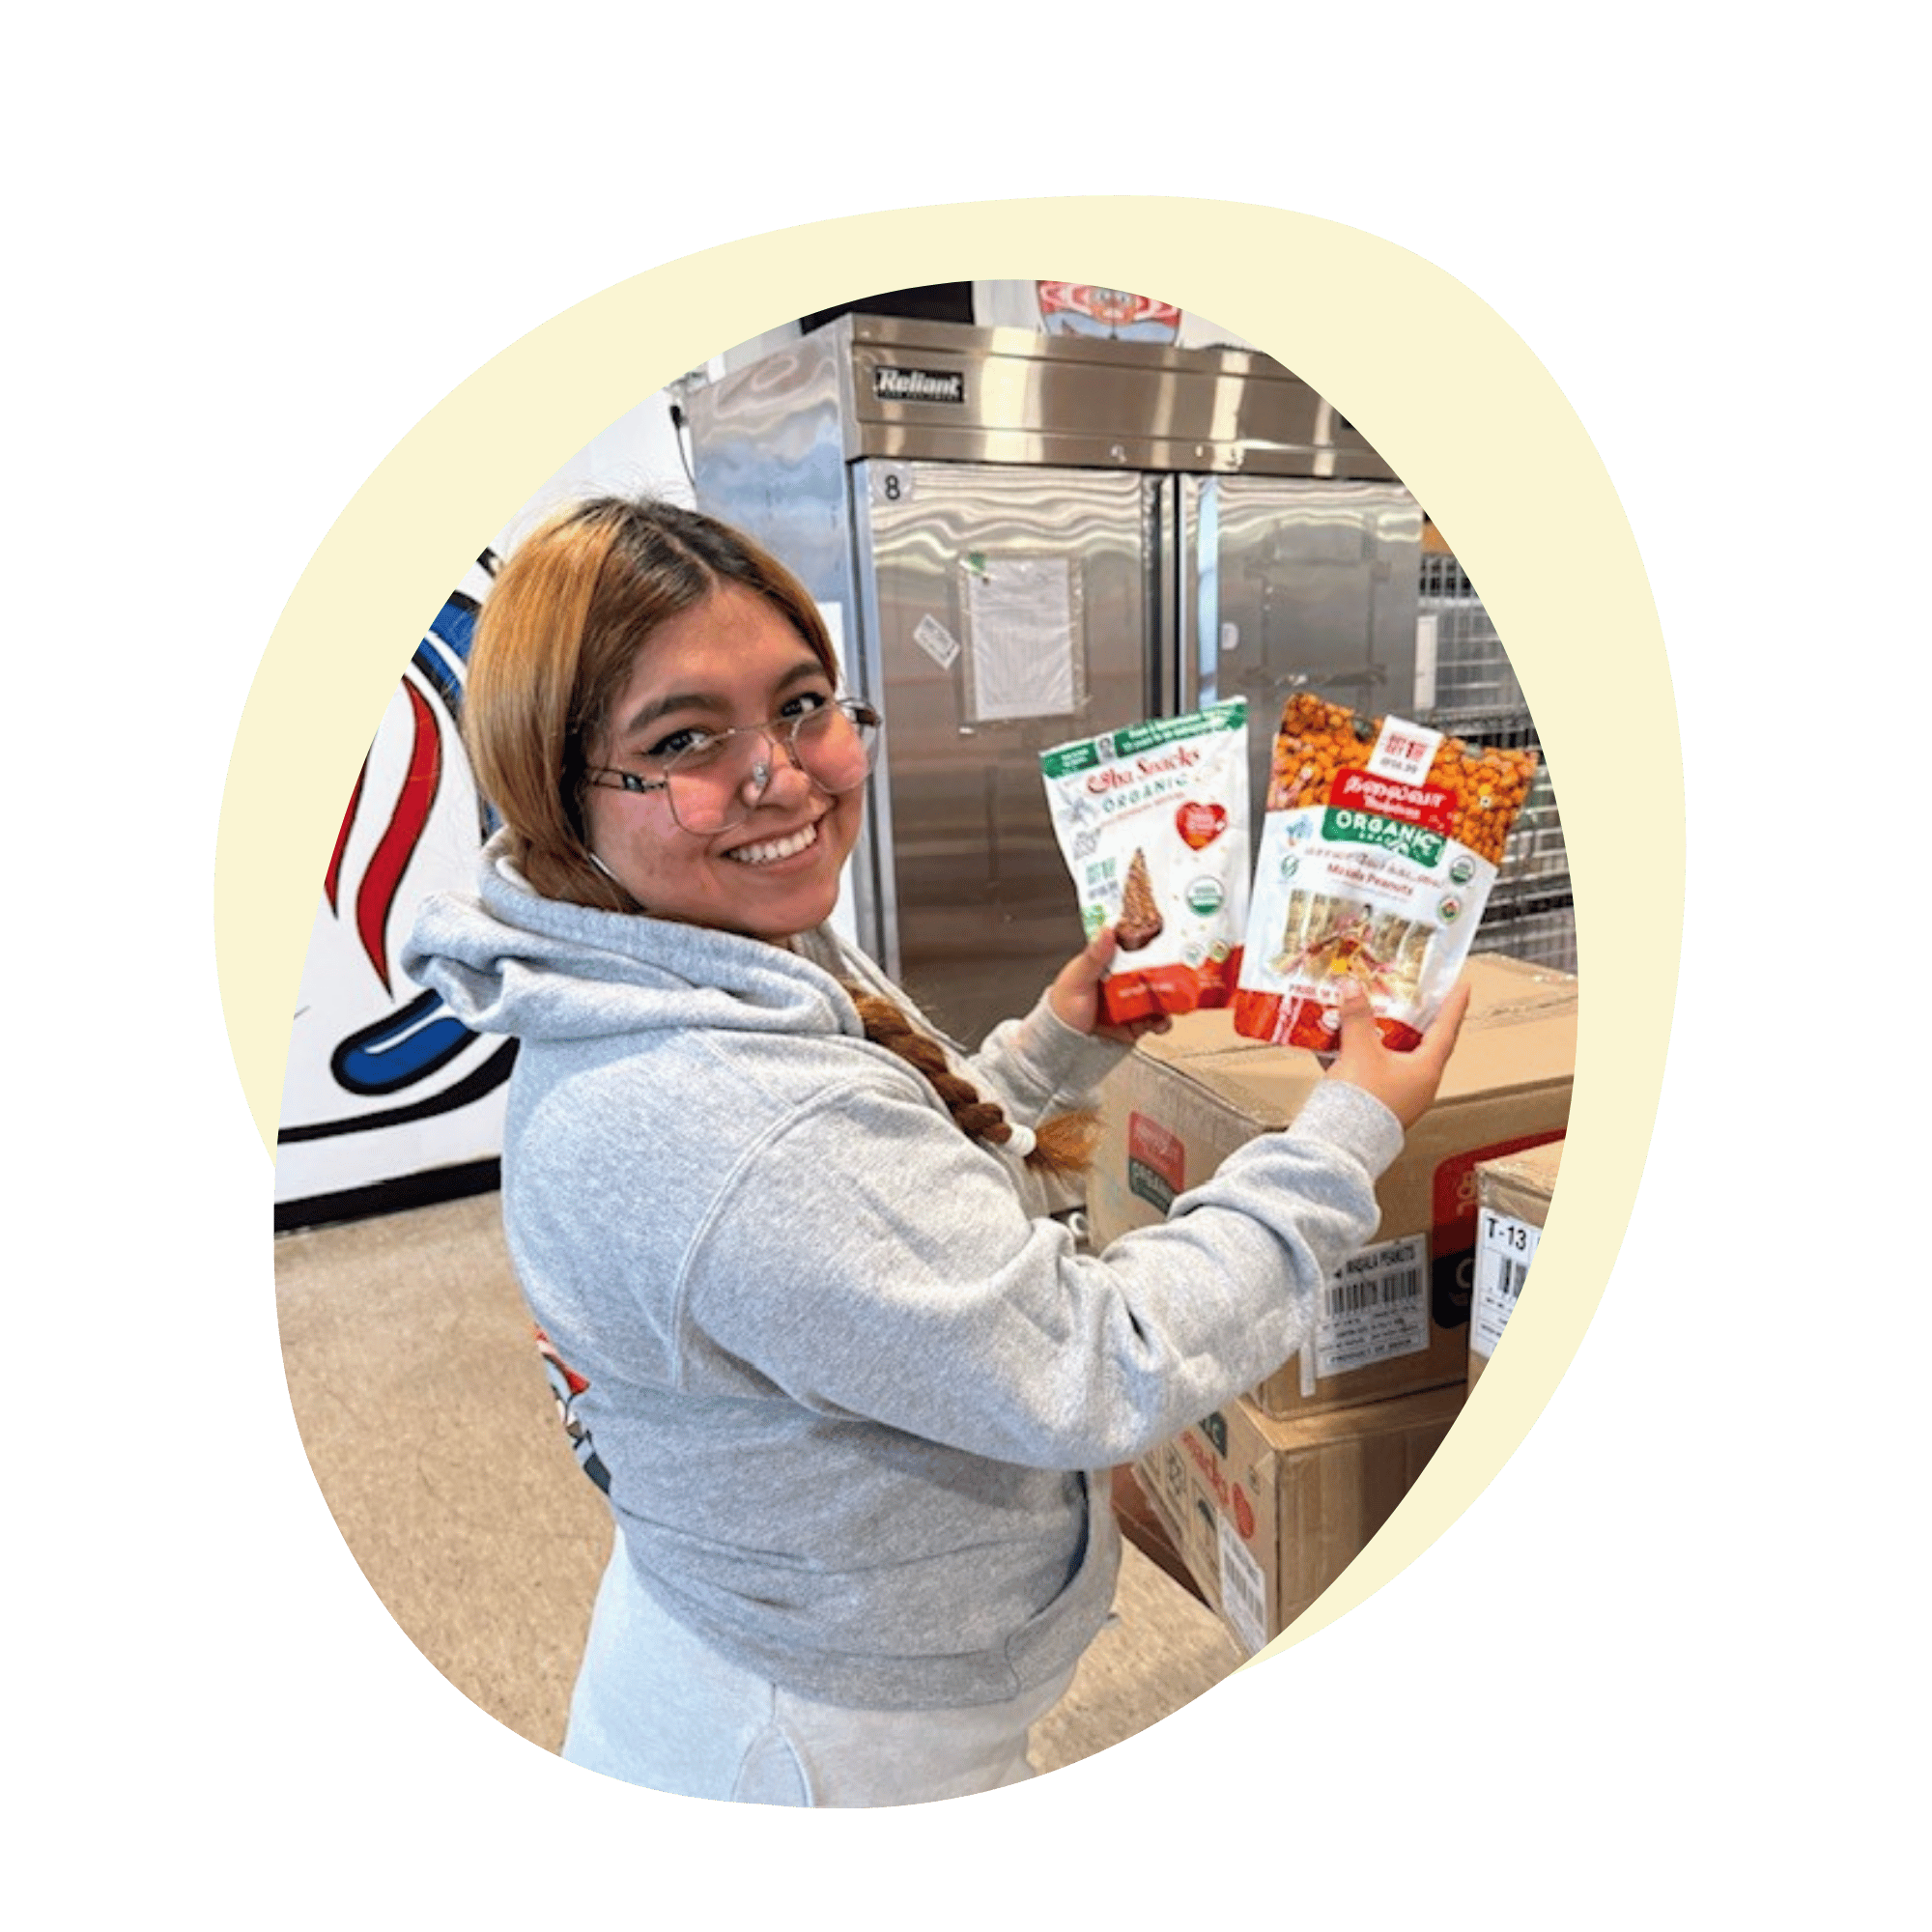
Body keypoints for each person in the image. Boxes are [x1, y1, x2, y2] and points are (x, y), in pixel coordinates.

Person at [403, 495, 1469, 1808]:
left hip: (764, 1616)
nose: (780, 775)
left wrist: (1056, 1043)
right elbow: (1097, 1362)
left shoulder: (686, 953)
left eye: (802, 704)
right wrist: (1350, 1131)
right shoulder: (729, 1120)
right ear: (556, 790)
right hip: (824, 1740)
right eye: (682, 740)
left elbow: (896, 1180)